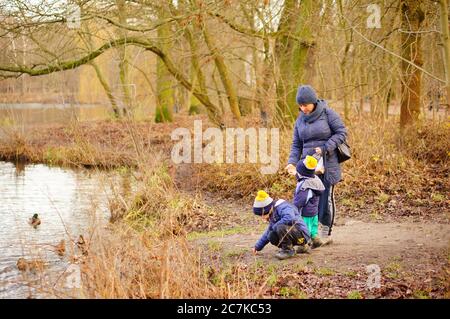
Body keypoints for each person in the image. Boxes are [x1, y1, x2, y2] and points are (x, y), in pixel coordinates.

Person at [285, 85, 347, 243]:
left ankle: (326, 230)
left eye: (305, 105)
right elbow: (296, 144)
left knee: (325, 197)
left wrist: (326, 147)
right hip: (308, 167)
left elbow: (341, 132)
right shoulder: (300, 120)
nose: (302, 108)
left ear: (313, 102)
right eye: (300, 105)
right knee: (308, 199)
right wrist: (292, 162)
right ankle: (311, 232)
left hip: (327, 162)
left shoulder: (328, 113)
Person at [252, 190, 311, 260]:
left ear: (266, 209)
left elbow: (290, 217)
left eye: (262, 215)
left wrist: (275, 226)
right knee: (271, 235)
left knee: (279, 227)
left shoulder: (283, 207)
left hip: (302, 235)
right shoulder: (272, 213)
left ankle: (288, 251)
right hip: (293, 234)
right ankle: (297, 247)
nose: (262, 217)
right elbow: (269, 231)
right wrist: (257, 247)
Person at [293, 154, 325, 248]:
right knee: (313, 228)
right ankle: (316, 239)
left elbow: (301, 200)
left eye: (297, 172)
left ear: (302, 173)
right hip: (314, 212)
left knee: (304, 229)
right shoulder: (314, 179)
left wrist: (294, 207)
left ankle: (303, 245)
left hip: (305, 213)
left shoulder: (305, 186)